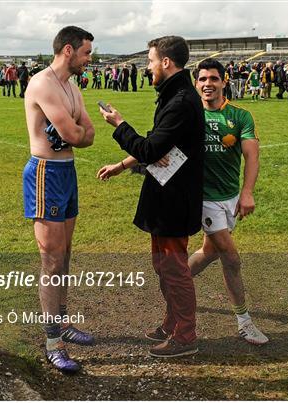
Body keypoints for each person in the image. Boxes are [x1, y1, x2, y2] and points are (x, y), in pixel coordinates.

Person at [97, 35, 204, 358]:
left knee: (174, 268)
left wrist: (119, 124)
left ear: (166, 63)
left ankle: (186, 336)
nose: (148, 67)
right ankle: (172, 323)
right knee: (163, 265)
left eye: (150, 61)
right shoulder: (174, 96)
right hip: (165, 195)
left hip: (174, 199)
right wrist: (123, 165)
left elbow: (150, 148)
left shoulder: (182, 100)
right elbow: (156, 147)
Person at [22, 26, 96, 373]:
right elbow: (72, 133)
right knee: (51, 261)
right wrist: (75, 131)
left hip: (67, 172)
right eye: (86, 53)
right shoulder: (43, 83)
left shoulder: (72, 86)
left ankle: (63, 324)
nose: (89, 59)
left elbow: (89, 134)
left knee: (65, 254)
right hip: (45, 173)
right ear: (69, 50)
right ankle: (53, 342)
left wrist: (77, 131)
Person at [190, 58, 268, 345]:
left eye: (213, 78)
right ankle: (244, 321)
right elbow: (160, 143)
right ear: (196, 84)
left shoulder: (241, 116)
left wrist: (246, 192)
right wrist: (125, 164)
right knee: (231, 259)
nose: (207, 84)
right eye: (202, 79)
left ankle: (174, 283)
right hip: (203, 199)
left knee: (209, 252)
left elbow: (252, 155)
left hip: (230, 197)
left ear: (224, 82)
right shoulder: (190, 115)